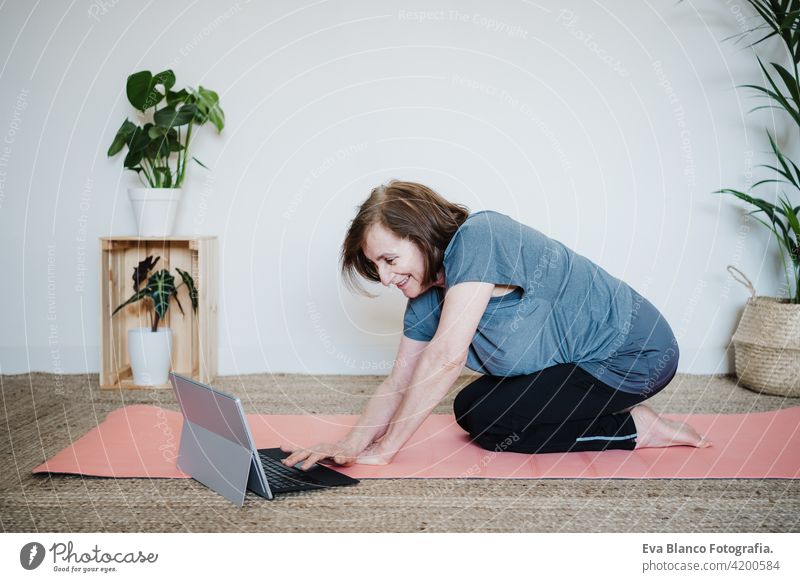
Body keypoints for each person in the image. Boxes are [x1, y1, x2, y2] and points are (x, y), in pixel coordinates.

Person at [281, 180, 710, 470]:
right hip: (581, 367)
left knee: (492, 419)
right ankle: (617, 413)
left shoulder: (480, 236)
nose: (387, 278)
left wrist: (388, 449)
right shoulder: (425, 302)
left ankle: (636, 427)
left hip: (634, 354)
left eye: (390, 260)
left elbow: (446, 359)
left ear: (423, 233)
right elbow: (400, 380)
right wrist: (352, 445)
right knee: (476, 411)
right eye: (377, 267)